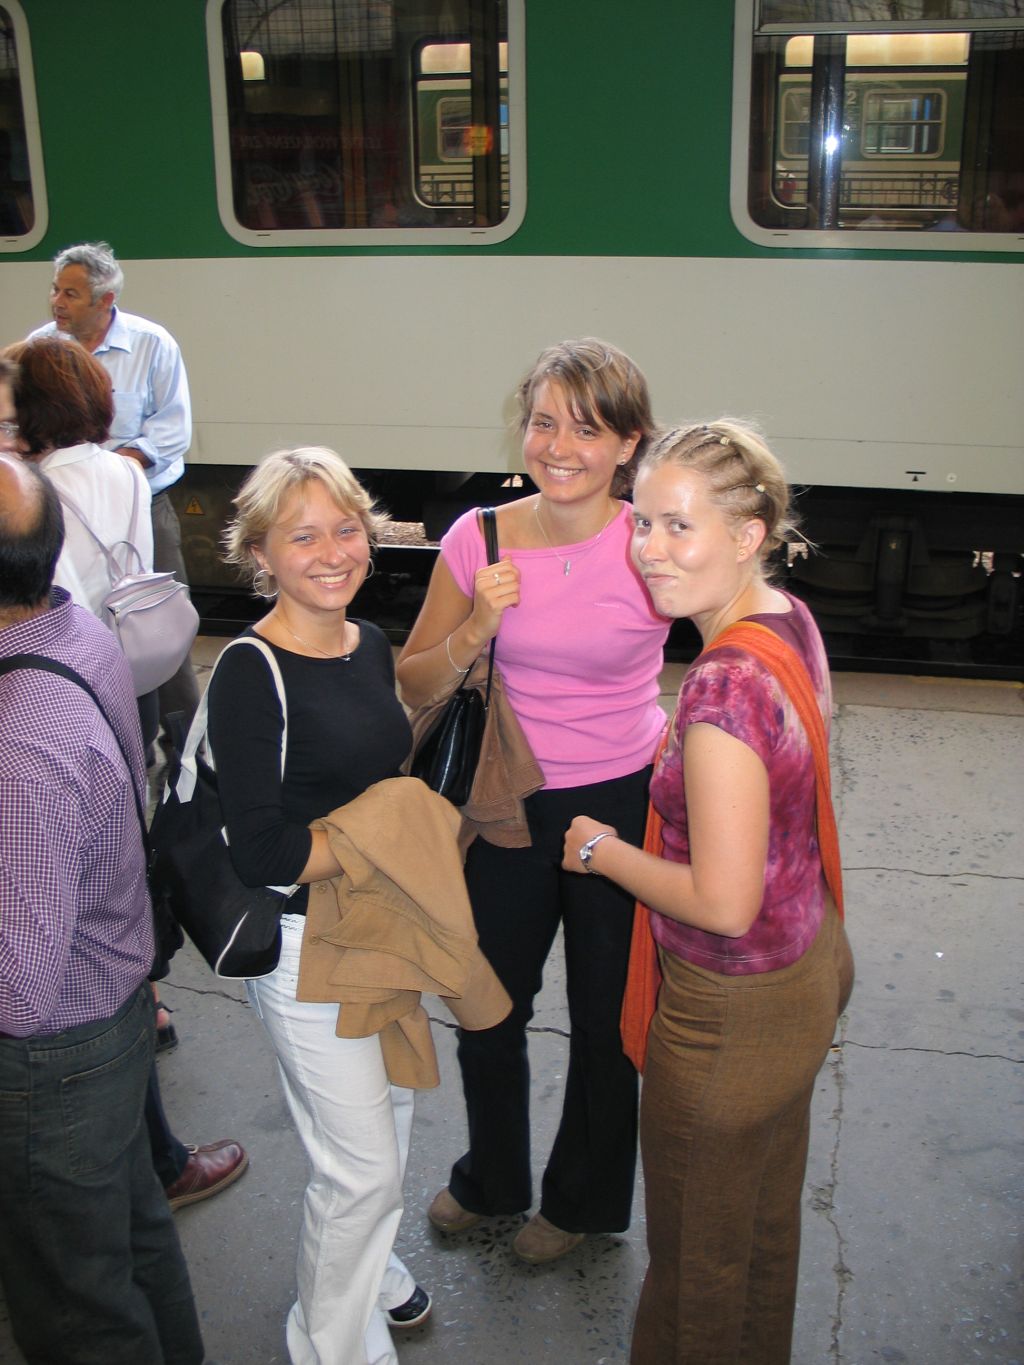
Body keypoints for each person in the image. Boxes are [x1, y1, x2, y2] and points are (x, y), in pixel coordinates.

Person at [562, 420, 855, 1363]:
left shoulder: (723, 693)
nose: (649, 549)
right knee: (761, 1237)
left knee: (693, 1271)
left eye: (678, 526)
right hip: (804, 971)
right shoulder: (786, 618)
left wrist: (600, 849)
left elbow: (724, 902)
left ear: (748, 533)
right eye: (642, 522)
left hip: (730, 1014)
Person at [397, 338, 670, 1262]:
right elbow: (412, 678)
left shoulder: (652, 543)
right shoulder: (478, 537)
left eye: (587, 429)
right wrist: (477, 624)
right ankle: (494, 1178)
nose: (560, 446)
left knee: (607, 1017)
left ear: (627, 444)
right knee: (489, 1001)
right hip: (504, 800)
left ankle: (583, 1201)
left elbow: (733, 619)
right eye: (545, 422)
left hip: (621, 799)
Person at [4, 333, 249, 1213]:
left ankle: (142, 1003)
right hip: (121, 667)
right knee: (122, 842)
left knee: (88, 872)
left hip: (57, 674)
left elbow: (40, 591)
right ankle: (146, 990)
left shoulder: (36, 490)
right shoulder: (120, 470)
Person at [208, 447, 431, 1365]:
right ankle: (330, 1343)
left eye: (347, 529)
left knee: (390, 1118)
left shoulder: (368, 644)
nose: (333, 552)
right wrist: (392, 841)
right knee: (360, 1167)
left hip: (381, 925)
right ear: (260, 551)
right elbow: (260, 849)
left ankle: (370, 1271)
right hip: (305, 945)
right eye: (303, 537)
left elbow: (376, 772)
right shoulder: (247, 672)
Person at [0, 454, 205, 1365]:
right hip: (112, 1009)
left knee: (75, 1301)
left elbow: (17, 990)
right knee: (135, 1238)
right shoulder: (72, 626)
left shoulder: (19, 742)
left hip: (51, 1062)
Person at [29, 240, 200, 748]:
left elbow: (172, 430)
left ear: (106, 300)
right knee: (77, 625)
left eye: (71, 294)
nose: (57, 302)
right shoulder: (39, 348)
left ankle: (185, 749)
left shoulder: (152, 344)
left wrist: (109, 469)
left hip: (138, 507)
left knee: (155, 625)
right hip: (60, 509)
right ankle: (108, 740)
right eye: (55, 290)